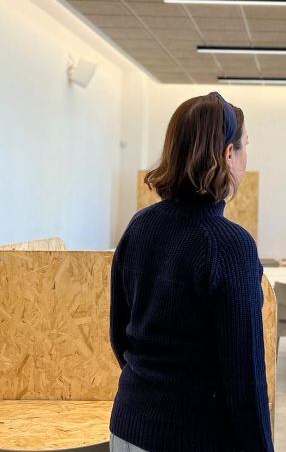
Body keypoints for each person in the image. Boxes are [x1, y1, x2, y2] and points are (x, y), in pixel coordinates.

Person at [109, 92, 273, 452]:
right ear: (229, 154)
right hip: (191, 435)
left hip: (127, 425)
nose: (246, 156)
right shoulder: (230, 245)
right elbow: (244, 377)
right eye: (244, 146)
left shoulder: (140, 225)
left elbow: (120, 335)